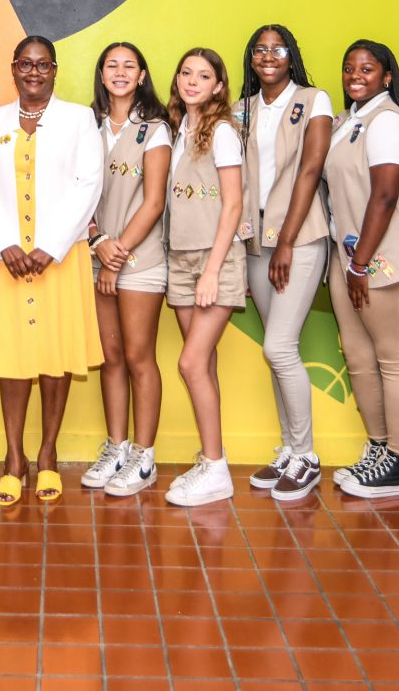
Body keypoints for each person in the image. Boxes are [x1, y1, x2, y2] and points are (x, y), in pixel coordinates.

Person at [0, 36, 105, 506]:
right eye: (25, 64)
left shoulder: (79, 119)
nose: (33, 72)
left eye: (42, 64)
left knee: (55, 354)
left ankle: (47, 455)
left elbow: (90, 183)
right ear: (13, 69)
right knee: (12, 358)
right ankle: (14, 459)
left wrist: (51, 245)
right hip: (7, 259)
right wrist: (3, 241)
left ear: (54, 70)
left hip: (59, 259)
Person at [325, 40, 399, 499]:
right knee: (359, 358)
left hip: (380, 260)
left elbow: (385, 195)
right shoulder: (352, 120)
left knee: (391, 358)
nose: (356, 75)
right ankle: (380, 447)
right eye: (349, 67)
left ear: (387, 76)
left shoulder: (387, 122)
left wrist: (362, 262)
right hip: (348, 257)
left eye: (367, 68)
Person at [236, 24, 334, 502]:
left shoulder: (315, 99)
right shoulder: (243, 108)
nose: (269, 56)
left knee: (279, 348)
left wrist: (289, 240)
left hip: (299, 237)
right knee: (276, 352)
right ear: (251, 58)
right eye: (261, 49)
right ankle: (290, 449)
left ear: (291, 55)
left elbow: (311, 170)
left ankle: (308, 457)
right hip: (257, 240)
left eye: (278, 49)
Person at [83, 42, 170, 498]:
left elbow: (154, 202)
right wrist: (99, 242)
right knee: (111, 357)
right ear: (101, 75)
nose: (119, 72)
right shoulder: (87, 127)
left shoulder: (154, 130)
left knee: (139, 357)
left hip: (140, 260)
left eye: (128, 66)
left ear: (141, 75)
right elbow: (77, 194)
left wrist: (116, 253)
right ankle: (116, 447)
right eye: (111, 65)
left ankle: (144, 455)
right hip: (98, 255)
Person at [163, 48, 249, 507]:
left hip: (214, 259)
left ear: (218, 86)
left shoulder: (223, 132)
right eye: (185, 73)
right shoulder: (179, 130)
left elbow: (233, 204)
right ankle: (209, 458)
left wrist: (212, 270)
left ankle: (217, 470)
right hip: (179, 258)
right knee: (205, 366)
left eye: (203, 75)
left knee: (190, 364)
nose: (192, 81)